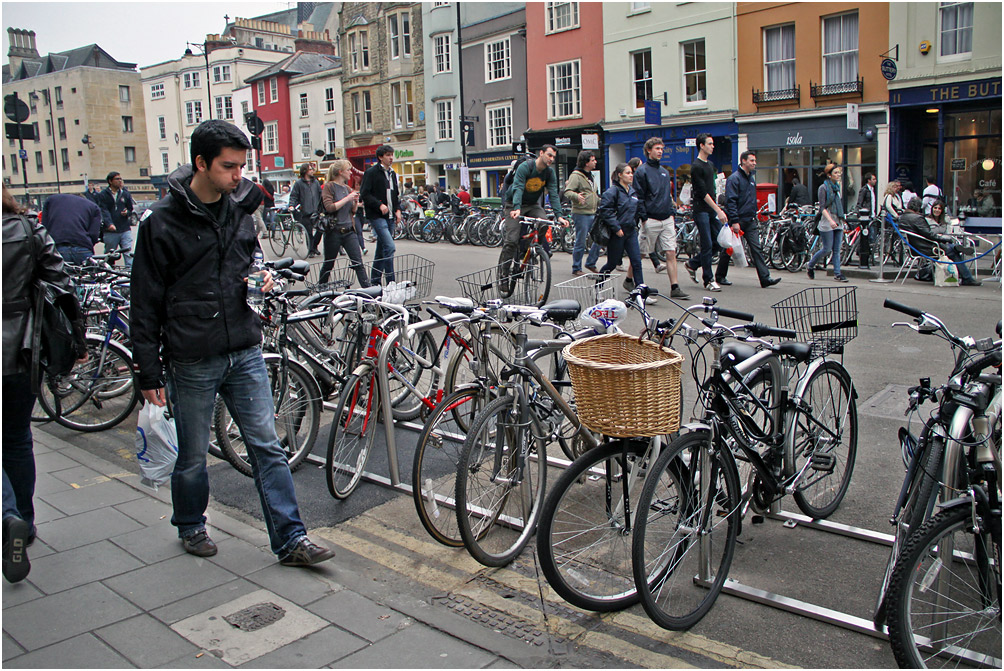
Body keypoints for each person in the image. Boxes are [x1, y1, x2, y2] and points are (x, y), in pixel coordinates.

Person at [130, 120, 335, 566]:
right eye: (228, 166)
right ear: (200, 163)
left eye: (242, 166)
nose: (237, 175)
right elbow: (143, 301)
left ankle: (290, 539)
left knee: (267, 444)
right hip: (192, 355)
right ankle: (190, 523)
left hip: (243, 347)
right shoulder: (161, 223)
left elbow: (247, 261)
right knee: (192, 453)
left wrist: (259, 275)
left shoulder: (240, 210)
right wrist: (147, 371)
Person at [3, 185, 87, 583]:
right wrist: (79, 339)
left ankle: (7, 518)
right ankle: (25, 519)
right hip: (21, 349)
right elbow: (62, 284)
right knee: (18, 437)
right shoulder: (26, 228)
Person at [498, 145, 569, 292]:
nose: (551, 159)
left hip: (532, 205)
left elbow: (554, 194)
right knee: (511, 240)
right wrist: (516, 208)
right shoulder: (526, 167)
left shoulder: (549, 173)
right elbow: (517, 187)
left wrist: (559, 216)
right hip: (514, 205)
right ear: (541, 153)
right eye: (549, 155)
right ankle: (503, 275)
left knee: (543, 223)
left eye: (554, 157)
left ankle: (530, 249)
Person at [633, 137, 688, 299]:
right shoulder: (642, 172)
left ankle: (675, 287)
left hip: (666, 218)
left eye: (662, 149)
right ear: (649, 150)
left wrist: (671, 210)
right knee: (642, 253)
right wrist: (643, 217)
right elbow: (639, 196)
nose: (660, 151)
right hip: (650, 218)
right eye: (657, 148)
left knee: (671, 252)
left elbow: (667, 195)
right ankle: (630, 279)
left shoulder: (664, 172)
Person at [725, 150, 781, 288]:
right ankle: (720, 275)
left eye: (755, 161)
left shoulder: (751, 179)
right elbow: (731, 201)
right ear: (743, 161)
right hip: (738, 219)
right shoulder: (734, 178)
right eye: (752, 160)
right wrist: (735, 220)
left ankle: (765, 278)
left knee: (757, 248)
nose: (754, 163)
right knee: (728, 249)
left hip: (750, 220)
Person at [684, 133, 732, 292]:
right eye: (710, 144)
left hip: (711, 209)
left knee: (718, 242)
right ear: (701, 145)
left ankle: (693, 263)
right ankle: (709, 279)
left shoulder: (710, 165)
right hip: (701, 210)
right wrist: (718, 210)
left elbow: (712, 189)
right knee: (707, 244)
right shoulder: (696, 166)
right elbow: (702, 192)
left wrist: (718, 207)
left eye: (712, 143)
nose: (713, 146)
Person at [899, 197, 981, 286]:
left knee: (951, 249)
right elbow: (929, 235)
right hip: (925, 248)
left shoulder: (902, 217)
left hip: (915, 247)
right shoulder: (918, 218)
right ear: (918, 207)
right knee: (953, 252)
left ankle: (956, 249)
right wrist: (945, 239)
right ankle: (967, 277)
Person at [597, 163, 645, 297]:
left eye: (631, 173)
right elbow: (605, 211)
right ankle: (598, 288)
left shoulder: (632, 191)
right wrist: (616, 227)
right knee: (611, 264)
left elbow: (636, 209)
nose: (631, 175)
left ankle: (640, 294)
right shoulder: (612, 192)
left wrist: (638, 222)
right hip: (617, 233)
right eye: (627, 173)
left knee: (636, 262)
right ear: (619, 175)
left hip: (630, 231)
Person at [319, 160, 369, 288]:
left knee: (358, 263)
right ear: (340, 172)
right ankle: (321, 289)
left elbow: (352, 211)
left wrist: (354, 202)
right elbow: (329, 207)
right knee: (329, 264)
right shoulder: (329, 187)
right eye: (348, 170)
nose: (350, 173)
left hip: (349, 231)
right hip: (334, 231)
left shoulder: (347, 188)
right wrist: (348, 198)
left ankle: (369, 290)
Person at [360, 144, 402, 285]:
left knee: (381, 250)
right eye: (388, 155)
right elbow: (365, 193)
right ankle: (391, 283)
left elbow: (394, 194)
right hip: (377, 216)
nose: (391, 158)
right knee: (389, 247)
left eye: (392, 154)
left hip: (390, 216)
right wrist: (379, 204)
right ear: (380, 157)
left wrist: (397, 209)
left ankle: (375, 282)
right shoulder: (371, 173)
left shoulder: (392, 173)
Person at [807, 163, 848, 283]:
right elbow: (822, 207)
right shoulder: (823, 188)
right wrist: (830, 220)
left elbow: (839, 205)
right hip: (827, 221)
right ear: (829, 175)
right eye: (835, 173)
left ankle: (837, 273)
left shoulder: (837, 187)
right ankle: (810, 265)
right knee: (827, 249)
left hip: (838, 220)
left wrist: (842, 219)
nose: (838, 175)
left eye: (839, 172)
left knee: (837, 249)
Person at [563, 150, 599, 276]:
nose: (595, 162)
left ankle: (590, 262)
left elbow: (593, 194)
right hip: (581, 213)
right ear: (586, 162)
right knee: (581, 241)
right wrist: (576, 196)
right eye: (593, 160)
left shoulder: (591, 176)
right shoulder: (576, 176)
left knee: (599, 238)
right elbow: (567, 192)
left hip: (593, 212)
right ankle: (576, 267)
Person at [41, 193, 102, 265]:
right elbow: (94, 234)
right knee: (88, 273)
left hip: (58, 246)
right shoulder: (93, 207)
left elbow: (44, 228)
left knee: (60, 274)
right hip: (83, 247)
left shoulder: (51, 200)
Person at [97, 171, 135, 268]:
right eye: (117, 179)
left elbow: (130, 208)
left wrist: (127, 213)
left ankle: (130, 272)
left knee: (128, 251)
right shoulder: (103, 195)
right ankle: (109, 271)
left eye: (120, 179)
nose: (120, 181)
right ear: (110, 181)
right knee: (110, 254)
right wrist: (109, 223)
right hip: (111, 231)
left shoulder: (125, 194)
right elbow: (103, 210)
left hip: (124, 228)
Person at [289, 163, 323, 257]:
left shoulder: (315, 182)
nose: (312, 171)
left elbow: (320, 195)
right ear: (305, 171)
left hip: (316, 211)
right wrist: (292, 205)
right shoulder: (299, 184)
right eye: (310, 169)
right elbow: (294, 196)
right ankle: (311, 250)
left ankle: (314, 246)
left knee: (320, 229)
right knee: (309, 232)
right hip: (305, 212)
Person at [854, 172, 879, 269]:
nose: (875, 181)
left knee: (871, 237)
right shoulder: (864, 190)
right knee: (867, 237)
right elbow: (859, 202)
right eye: (873, 179)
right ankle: (862, 253)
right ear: (868, 180)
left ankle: (865, 254)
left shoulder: (873, 190)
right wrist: (860, 214)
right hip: (866, 217)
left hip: (872, 216)